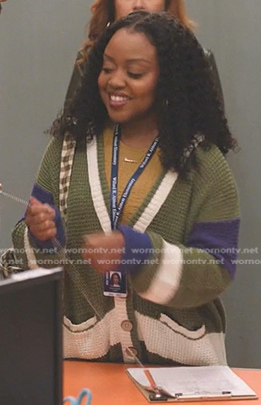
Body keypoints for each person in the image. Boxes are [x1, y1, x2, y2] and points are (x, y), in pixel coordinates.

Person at [12, 11, 240, 366]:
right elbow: (34, 268)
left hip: (182, 375)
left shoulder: (204, 163)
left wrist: (140, 254)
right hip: (85, 367)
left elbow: (218, 269)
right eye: (106, 68)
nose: (115, 81)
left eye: (135, 73)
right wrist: (40, 237)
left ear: (169, 80)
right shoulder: (67, 148)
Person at [65, 0, 224, 110]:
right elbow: (70, 132)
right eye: (108, 69)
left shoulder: (196, 62)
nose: (138, 5)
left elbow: (213, 138)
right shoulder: (90, 60)